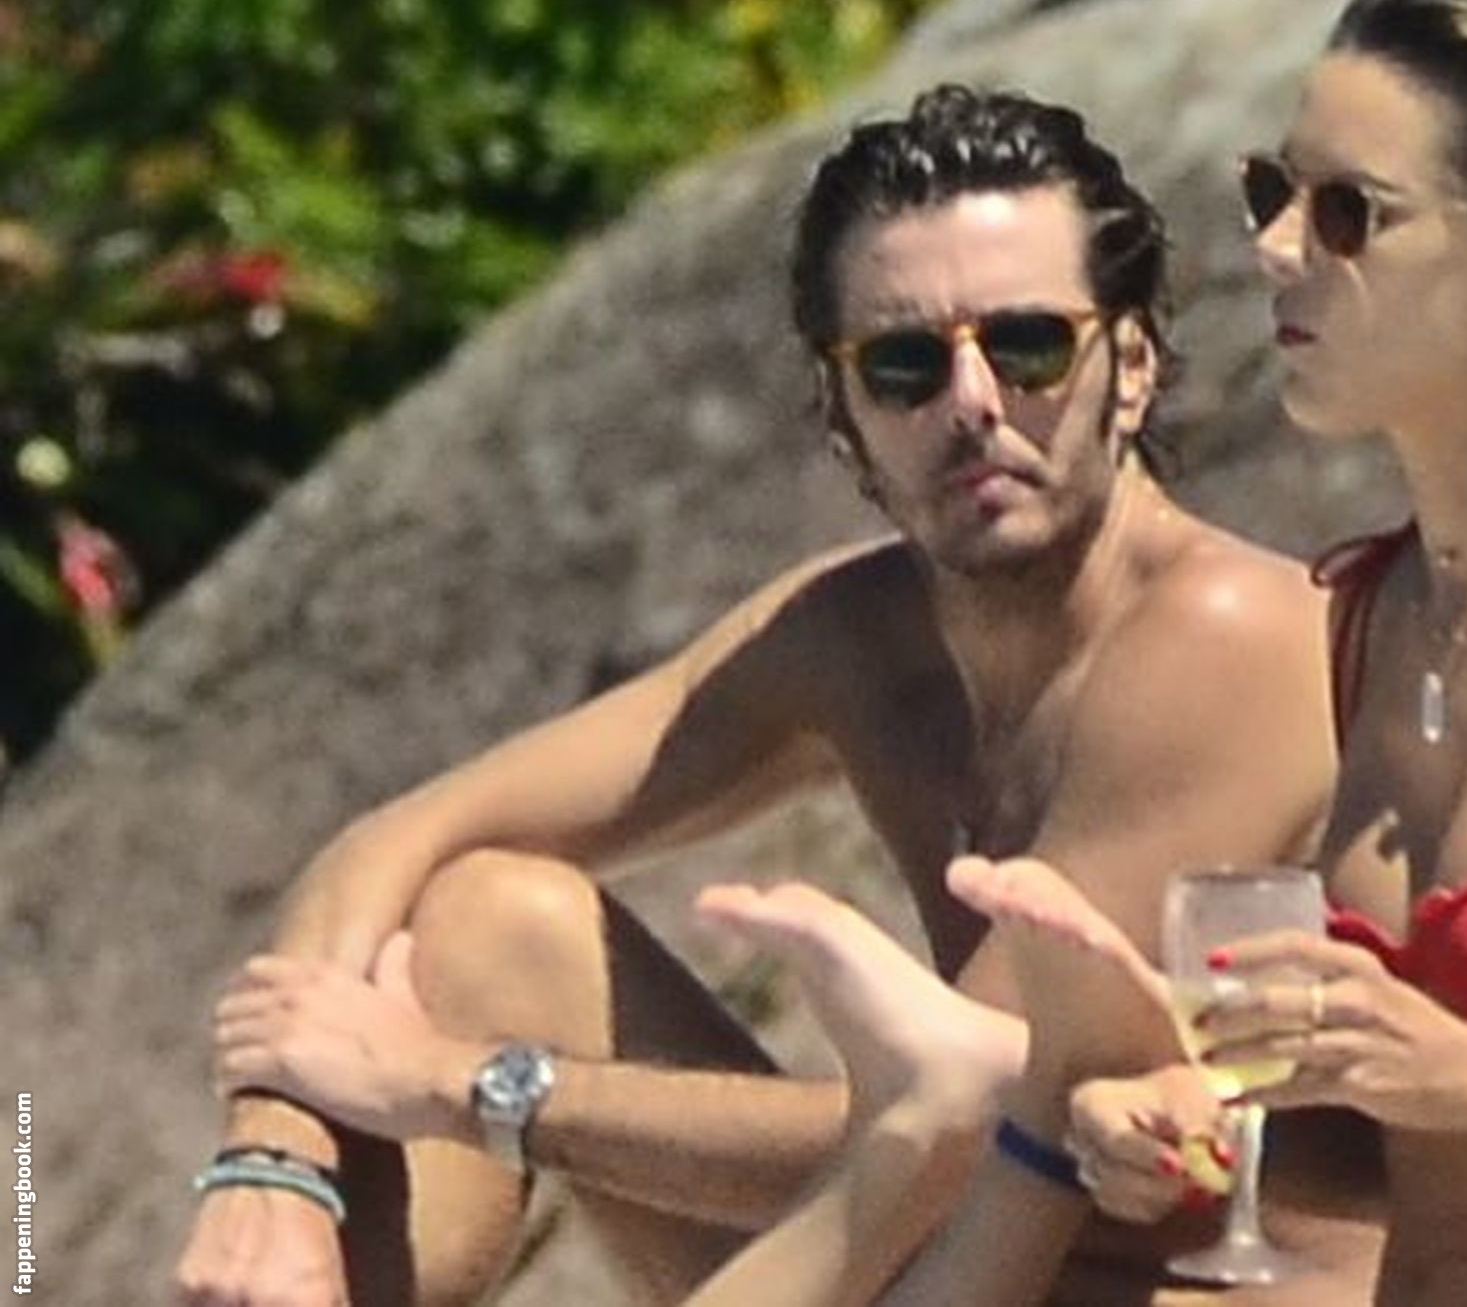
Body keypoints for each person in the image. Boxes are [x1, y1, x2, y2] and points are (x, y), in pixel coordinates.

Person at [666, 0, 1467, 1306]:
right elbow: (1398, 1131)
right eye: (1272, 193)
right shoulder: (1376, 613)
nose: (1275, 248)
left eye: (1347, 214)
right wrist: (1165, 1113)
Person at [178, 83, 1372, 1307]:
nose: (972, 401)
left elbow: (964, 1122)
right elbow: (398, 838)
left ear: (1131, 368)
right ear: (844, 415)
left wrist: (465, 1086)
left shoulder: (1230, 643)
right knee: (495, 920)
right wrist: (276, 1159)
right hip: (948, 1271)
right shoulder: (855, 636)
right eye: (905, 364)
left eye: (1027, 346)